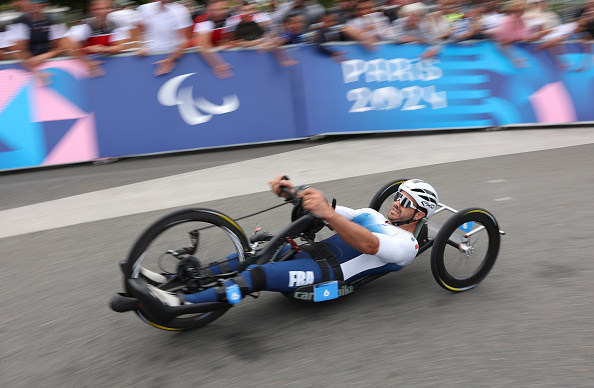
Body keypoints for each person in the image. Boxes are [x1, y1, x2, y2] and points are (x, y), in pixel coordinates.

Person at [128, 176, 439, 324]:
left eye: (407, 202)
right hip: (307, 252)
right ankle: (174, 280)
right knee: (248, 254)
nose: (397, 203)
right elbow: (333, 211)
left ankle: (176, 302)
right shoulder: (373, 216)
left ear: (420, 215)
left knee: (258, 274)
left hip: (327, 277)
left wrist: (328, 214)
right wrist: (294, 192)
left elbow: (369, 244)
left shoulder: (406, 246)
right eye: (398, 196)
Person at [64, 0, 130, 77]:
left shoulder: (116, 24)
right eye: (98, 9)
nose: (102, 12)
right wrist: (86, 62)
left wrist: (101, 49)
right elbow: (66, 43)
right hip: (84, 70)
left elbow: (120, 47)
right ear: (91, 10)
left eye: (106, 8)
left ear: (111, 9)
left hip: (106, 68)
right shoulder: (85, 25)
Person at [10, 0, 67, 81]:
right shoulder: (18, 21)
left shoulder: (53, 20)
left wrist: (42, 57)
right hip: (28, 66)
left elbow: (62, 47)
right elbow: (19, 51)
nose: (34, 5)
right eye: (32, 2)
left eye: (39, 2)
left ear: (46, 4)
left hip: (51, 63)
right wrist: (35, 72)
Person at [136, 0, 194, 76]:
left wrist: (170, 60)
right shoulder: (144, 8)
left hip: (174, 60)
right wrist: (140, 47)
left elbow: (184, 42)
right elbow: (139, 30)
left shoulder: (180, 10)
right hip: (149, 58)